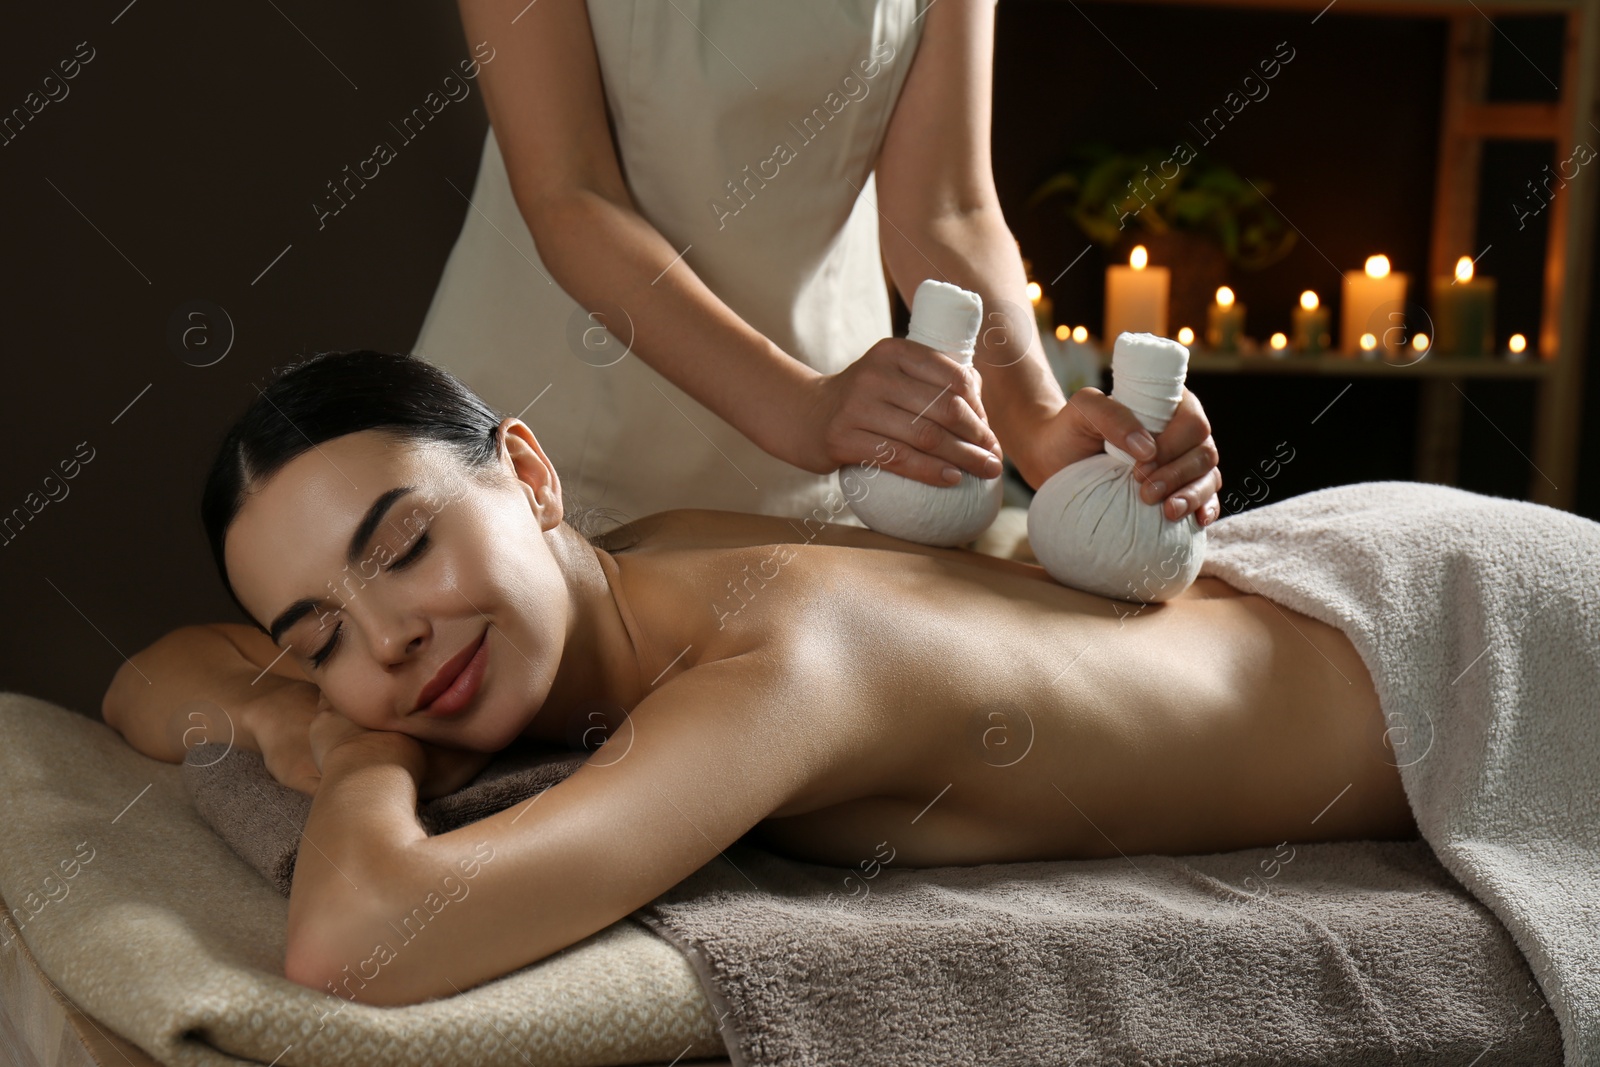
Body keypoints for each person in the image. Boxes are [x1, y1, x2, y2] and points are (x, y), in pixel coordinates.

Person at [105, 351, 1405, 1009]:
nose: (382, 638)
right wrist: (289, 702)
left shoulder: (784, 657)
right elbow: (147, 675)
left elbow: (351, 941)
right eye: (319, 633)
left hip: (1430, 645)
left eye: (402, 544)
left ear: (533, 475)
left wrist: (349, 750)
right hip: (1304, 593)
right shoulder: (655, 559)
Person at [414, 0, 1223, 528]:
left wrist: (1041, 429)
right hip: (546, 442)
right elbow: (570, 192)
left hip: (827, 453)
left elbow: (943, 209)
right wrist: (799, 407)